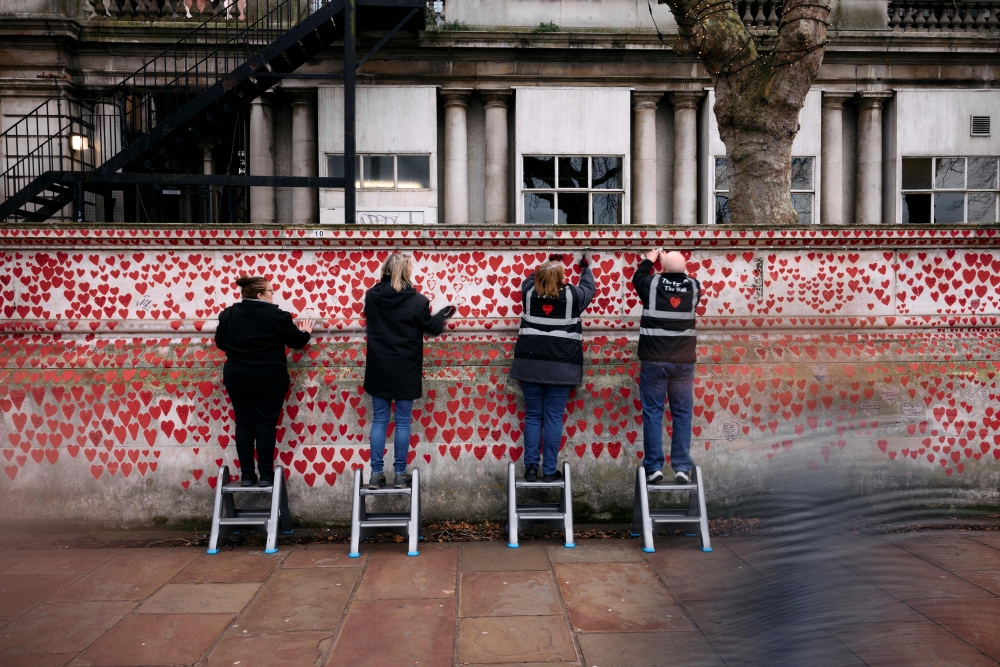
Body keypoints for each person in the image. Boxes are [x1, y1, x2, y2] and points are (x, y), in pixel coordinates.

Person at [364, 253, 455, 489]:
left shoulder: (371, 296)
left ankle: (375, 474)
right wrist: (443, 313)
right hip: (406, 367)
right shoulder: (417, 301)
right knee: (403, 422)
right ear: (406, 272)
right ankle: (400, 474)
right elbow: (432, 328)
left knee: (380, 420)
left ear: (385, 269)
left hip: (378, 366)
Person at [215, 275, 314, 487]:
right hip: (269, 379)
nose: (272, 295)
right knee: (265, 425)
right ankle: (266, 476)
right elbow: (297, 341)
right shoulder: (277, 315)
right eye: (270, 292)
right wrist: (306, 332)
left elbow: (220, 342)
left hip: (237, 378)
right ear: (260, 294)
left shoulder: (228, 314)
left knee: (243, 424)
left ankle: (247, 476)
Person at [510, 254, 596, 482]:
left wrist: (547, 264)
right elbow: (589, 288)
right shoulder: (573, 296)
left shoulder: (527, 292)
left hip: (530, 367)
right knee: (553, 418)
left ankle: (530, 468)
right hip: (562, 369)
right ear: (561, 279)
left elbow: (531, 277)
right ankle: (549, 471)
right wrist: (585, 268)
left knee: (533, 416)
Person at [631, 249, 701, 484]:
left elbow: (638, 277)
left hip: (654, 361)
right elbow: (686, 276)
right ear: (684, 270)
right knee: (682, 413)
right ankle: (681, 467)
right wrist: (673, 268)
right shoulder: (694, 286)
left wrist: (650, 260)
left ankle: (653, 468)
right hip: (683, 364)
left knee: (653, 413)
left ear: (660, 269)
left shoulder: (651, 285)